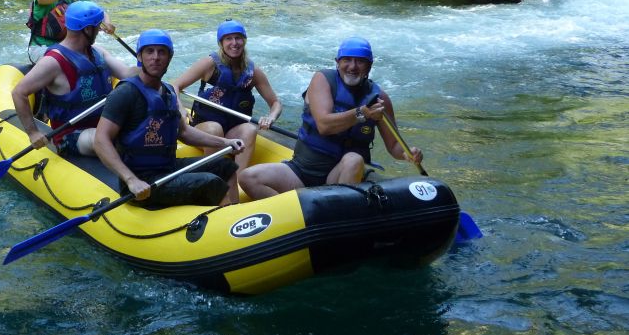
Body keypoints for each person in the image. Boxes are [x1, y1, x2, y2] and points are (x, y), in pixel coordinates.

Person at [239, 37, 423, 199]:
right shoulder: (322, 80)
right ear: (337, 62)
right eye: (347, 60)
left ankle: (334, 212)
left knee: (354, 159)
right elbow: (324, 126)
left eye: (360, 61)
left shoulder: (380, 99)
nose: (352, 66)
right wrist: (362, 113)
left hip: (340, 175)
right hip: (302, 172)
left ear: (369, 66)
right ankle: (296, 215)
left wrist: (407, 153)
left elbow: (393, 146)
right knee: (248, 178)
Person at [94, 29, 245, 207]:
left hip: (168, 168)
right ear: (140, 56)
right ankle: (226, 225)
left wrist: (225, 143)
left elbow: (184, 132)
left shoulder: (168, 92)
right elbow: (100, 140)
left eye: (162, 52)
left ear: (169, 57)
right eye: (149, 51)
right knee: (211, 182)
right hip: (141, 181)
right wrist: (130, 179)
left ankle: (238, 220)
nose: (156, 57)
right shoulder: (126, 93)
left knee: (225, 167)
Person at [12, 1, 136, 157]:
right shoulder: (53, 61)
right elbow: (19, 92)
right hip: (71, 134)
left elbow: (127, 74)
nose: (99, 30)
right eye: (97, 27)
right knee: (99, 137)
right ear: (88, 29)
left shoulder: (98, 52)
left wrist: (147, 66)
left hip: (106, 125)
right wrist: (33, 133)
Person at [172, 19, 282, 176]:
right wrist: (181, 109)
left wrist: (271, 117)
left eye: (238, 38)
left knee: (250, 129)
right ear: (221, 43)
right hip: (204, 129)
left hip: (232, 131)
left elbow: (276, 102)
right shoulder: (209, 64)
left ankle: (239, 181)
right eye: (229, 39)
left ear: (244, 41)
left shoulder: (252, 72)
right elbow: (174, 87)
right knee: (214, 128)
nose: (234, 43)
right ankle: (211, 178)